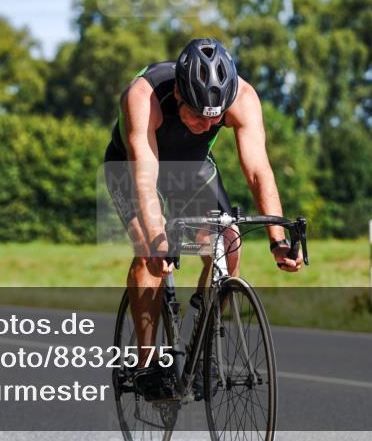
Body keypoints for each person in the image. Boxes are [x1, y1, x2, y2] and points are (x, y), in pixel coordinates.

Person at [103, 38, 303, 397]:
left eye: (213, 118)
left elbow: (258, 169)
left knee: (228, 243)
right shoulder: (143, 97)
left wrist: (279, 239)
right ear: (179, 93)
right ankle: (146, 363)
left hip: (191, 169)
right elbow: (145, 181)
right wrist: (160, 241)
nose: (202, 125)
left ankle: (202, 341)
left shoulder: (242, 98)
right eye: (195, 115)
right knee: (150, 253)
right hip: (132, 167)